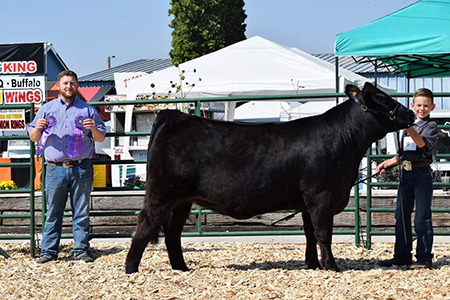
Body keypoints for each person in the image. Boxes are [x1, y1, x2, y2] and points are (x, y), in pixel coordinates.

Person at [28, 70, 106, 263]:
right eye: (65, 83)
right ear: (59, 86)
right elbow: (34, 138)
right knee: (53, 211)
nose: (69, 87)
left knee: (81, 210)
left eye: (72, 83)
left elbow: (101, 137)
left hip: (82, 167)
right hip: (55, 168)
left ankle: (81, 251)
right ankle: (49, 252)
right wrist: (38, 128)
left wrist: (93, 128)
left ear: (77, 85)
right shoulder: (46, 109)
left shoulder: (88, 110)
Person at [376, 88, 438, 269]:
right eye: (418, 105)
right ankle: (402, 255)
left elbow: (420, 144)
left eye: (426, 106)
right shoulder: (407, 129)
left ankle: (424, 257)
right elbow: (403, 154)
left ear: (432, 107)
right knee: (401, 216)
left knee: (421, 218)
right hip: (406, 173)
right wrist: (386, 163)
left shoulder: (431, 126)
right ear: (412, 105)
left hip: (421, 175)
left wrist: (408, 126)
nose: (422, 109)